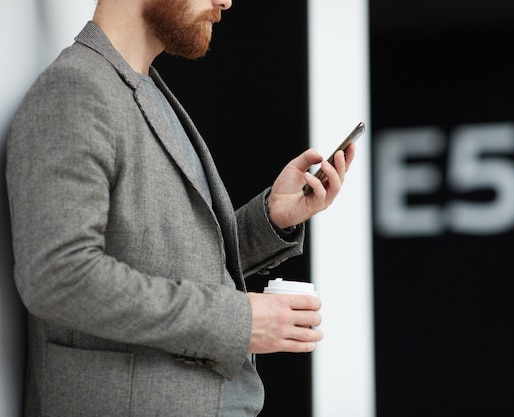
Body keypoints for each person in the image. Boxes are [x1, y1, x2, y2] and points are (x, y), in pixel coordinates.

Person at [5, 0, 356, 416]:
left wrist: (272, 217)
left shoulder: (145, 91)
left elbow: (174, 262)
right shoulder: (74, 90)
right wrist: (237, 322)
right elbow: (59, 277)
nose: (226, 1)